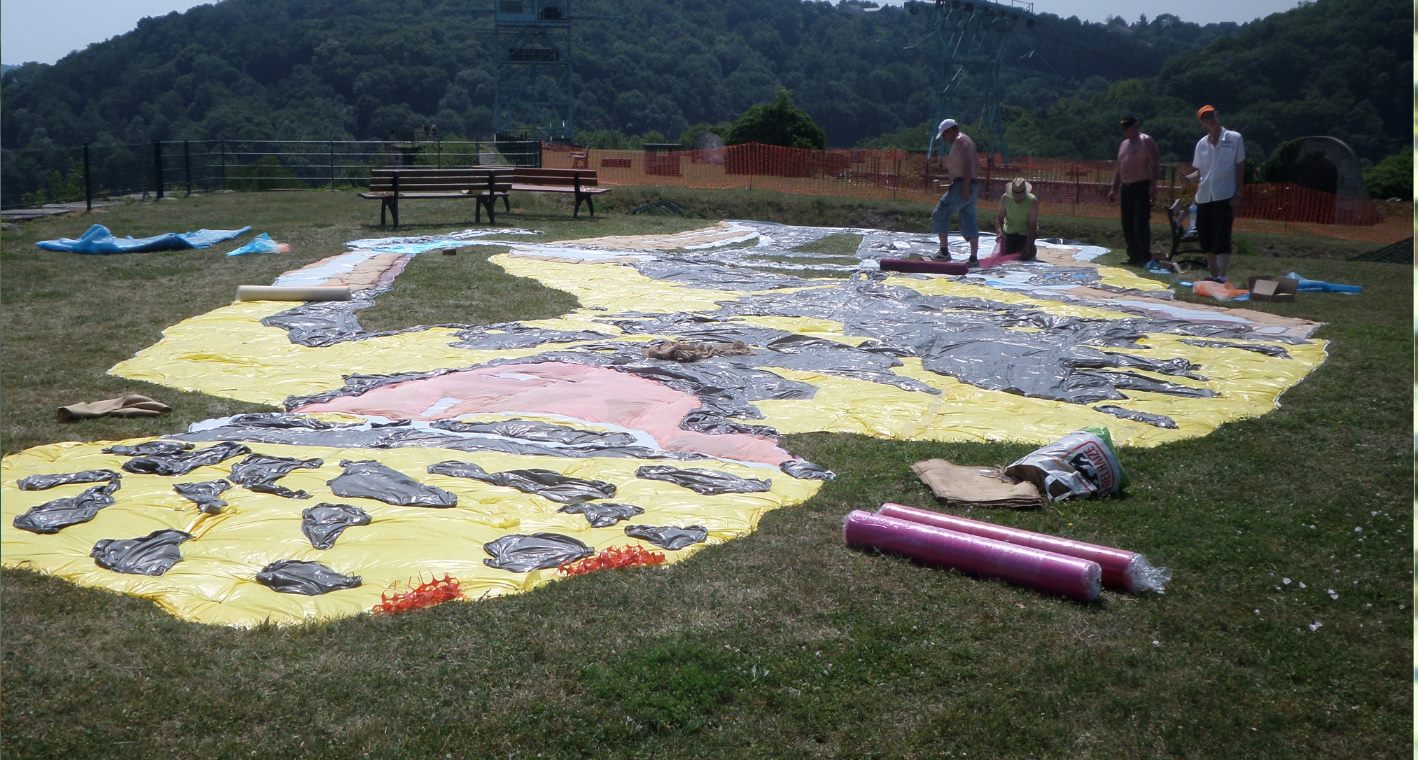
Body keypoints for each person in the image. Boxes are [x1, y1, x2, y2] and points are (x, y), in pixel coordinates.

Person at [1183, 105, 1245, 283]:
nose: (1209, 120)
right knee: (1205, 234)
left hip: (1224, 193)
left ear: (1217, 115)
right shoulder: (1202, 144)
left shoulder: (1234, 138)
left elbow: (1239, 165)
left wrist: (1238, 191)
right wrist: (1188, 178)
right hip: (1204, 195)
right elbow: (1200, 171)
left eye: (1211, 115)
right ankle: (1214, 273)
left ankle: (1222, 274)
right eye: (1205, 118)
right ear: (1202, 123)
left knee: (1222, 233)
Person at [1106, 115, 1159, 266]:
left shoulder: (1146, 141)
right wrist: (1114, 188)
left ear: (1135, 126)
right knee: (1127, 224)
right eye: (1124, 129)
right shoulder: (1124, 144)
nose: (1126, 131)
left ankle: (1144, 256)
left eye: (1128, 128)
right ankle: (1133, 255)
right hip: (1126, 187)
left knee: (1140, 223)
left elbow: (1154, 163)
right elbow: (1120, 167)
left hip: (1141, 186)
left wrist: (1153, 186)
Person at [930, 118, 980, 266]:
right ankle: (973, 258)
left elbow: (968, 163)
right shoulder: (968, 140)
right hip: (971, 184)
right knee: (969, 218)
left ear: (951, 130)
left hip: (962, 184)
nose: (945, 139)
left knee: (940, 213)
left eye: (945, 135)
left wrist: (964, 186)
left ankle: (944, 252)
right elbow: (976, 163)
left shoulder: (960, 141)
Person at [995, 177, 1039, 261]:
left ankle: (1030, 247)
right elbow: (1000, 218)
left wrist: (1028, 245)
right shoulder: (1005, 198)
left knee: (1025, 255)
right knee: (1006, 254)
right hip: (1009, 233)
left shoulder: (1033, 201)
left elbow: (1032, 225)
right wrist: (1000, 232)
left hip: (1025, 235)